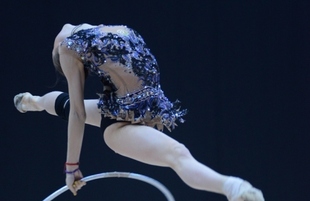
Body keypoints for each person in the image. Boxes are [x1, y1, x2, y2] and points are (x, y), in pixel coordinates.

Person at [14, 23, 264, 201]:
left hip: (136, 110)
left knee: (177, 155)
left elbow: (78, 114)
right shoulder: (102, 29)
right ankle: (34, 102)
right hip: (132, 109)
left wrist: (71, 167)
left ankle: (234, 187)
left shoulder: (68, 48)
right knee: (178, 155)